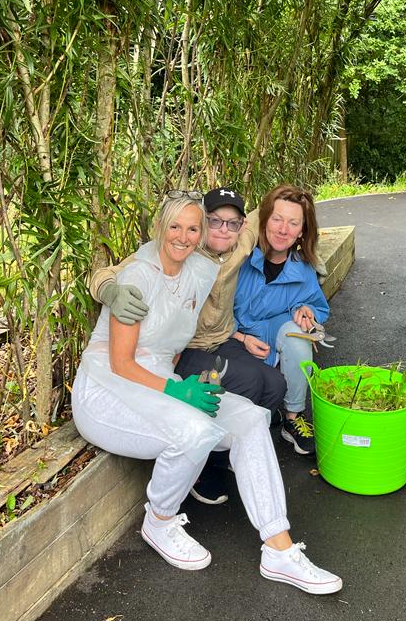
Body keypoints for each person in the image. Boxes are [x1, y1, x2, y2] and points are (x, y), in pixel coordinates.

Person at [72, 193, 342, 594]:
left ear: (201, 235)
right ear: (159, 228)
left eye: (192, 228)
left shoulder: (199, 269)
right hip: (108, 389)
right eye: (175, 227)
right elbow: (121, 362)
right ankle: (159, 520)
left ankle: (279, 550)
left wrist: (191, 380)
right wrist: (177, 391)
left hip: (161, 379)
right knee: (196, 430)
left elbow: (260, 222)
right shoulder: (138, 275)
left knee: (251, 417)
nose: (183, 236)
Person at [90, 187, 287, 503]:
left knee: (275, 383)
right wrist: (111, 292)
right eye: (214, 221)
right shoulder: (184, 253)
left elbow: (266, 215)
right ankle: (206, 466)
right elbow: (105, 275)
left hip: (222, 339)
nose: (224, 229)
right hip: (188, 349)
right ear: (203, 223)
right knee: (246, 382)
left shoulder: (239, 244)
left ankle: (239, 452)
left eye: (232, 223)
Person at [233, 184, 330, 458]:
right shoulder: (240, 255)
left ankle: (293, 416)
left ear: (302, 231)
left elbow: (320, 309)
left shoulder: (303, 268)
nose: (282, 229)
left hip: (270, 338)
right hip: (231, 338)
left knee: (297, 335)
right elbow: (213, 310)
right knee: (249, 421)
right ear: (264, 220)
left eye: (293, 223)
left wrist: (307, 310)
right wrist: (240, 338)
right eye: (277, 219)